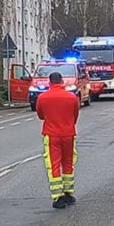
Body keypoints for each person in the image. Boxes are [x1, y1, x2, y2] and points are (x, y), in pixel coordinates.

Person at [35, 71, 80, 209]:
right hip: (69, 134)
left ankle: (58, 196)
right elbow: (75, 115)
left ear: (50, 83)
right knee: (68, 162)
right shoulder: (72, 97)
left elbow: (41, 115)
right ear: (62, 82)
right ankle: (68, 193)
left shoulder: (42, 97)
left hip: (52, 135)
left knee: (54, 164)